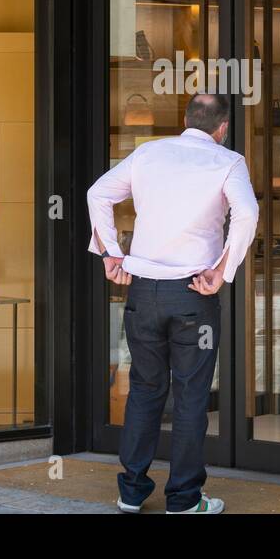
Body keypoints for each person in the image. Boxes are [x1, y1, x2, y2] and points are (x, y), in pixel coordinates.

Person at [87, 93, 259, 514]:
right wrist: (222, 270)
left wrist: (111, 254)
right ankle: (183, 499)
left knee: (145, 390)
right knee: (190, 396)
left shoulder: (149, 153)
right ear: (222, 128)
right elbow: (248, 213)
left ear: (185, 120)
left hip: (143, 292)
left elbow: (98, 193)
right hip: (193, 296)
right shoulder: (228, 161)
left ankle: (131, 491)